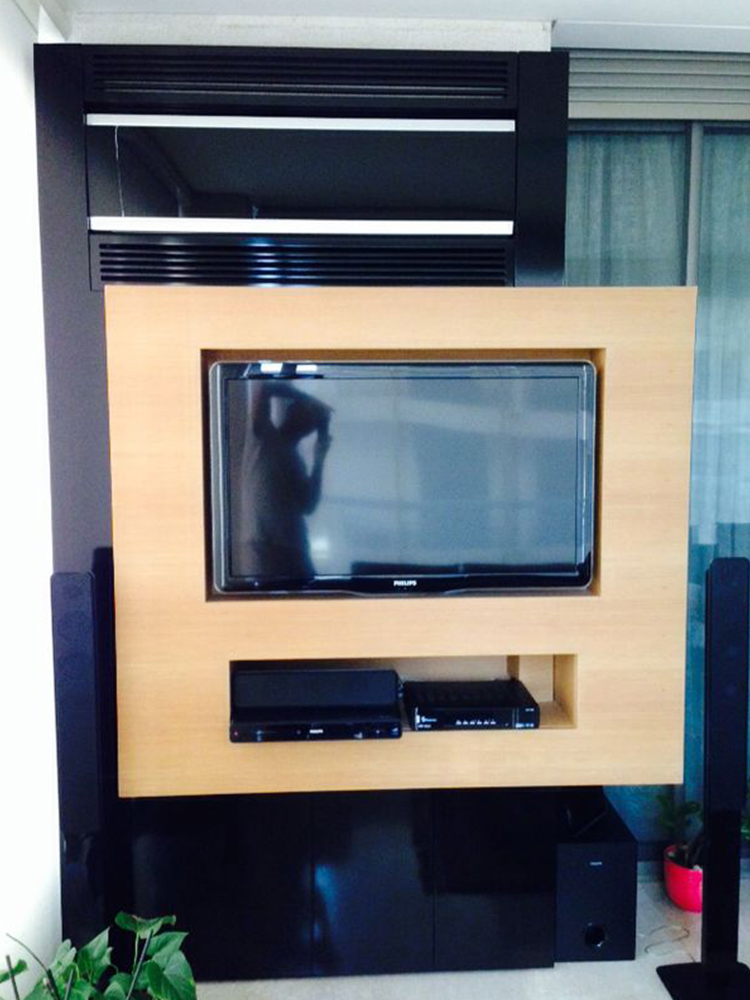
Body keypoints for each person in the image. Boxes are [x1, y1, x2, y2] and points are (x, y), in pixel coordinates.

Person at [232, 379, 332, 581]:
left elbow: (309, 505)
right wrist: (307, 399)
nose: (310, 421)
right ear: (291, 411)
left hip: (295, 547)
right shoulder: (262, 435)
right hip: (261, 546)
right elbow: (264, 388)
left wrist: (320, 455)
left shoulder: (296, 461)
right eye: (306, 413)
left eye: (313, 418)